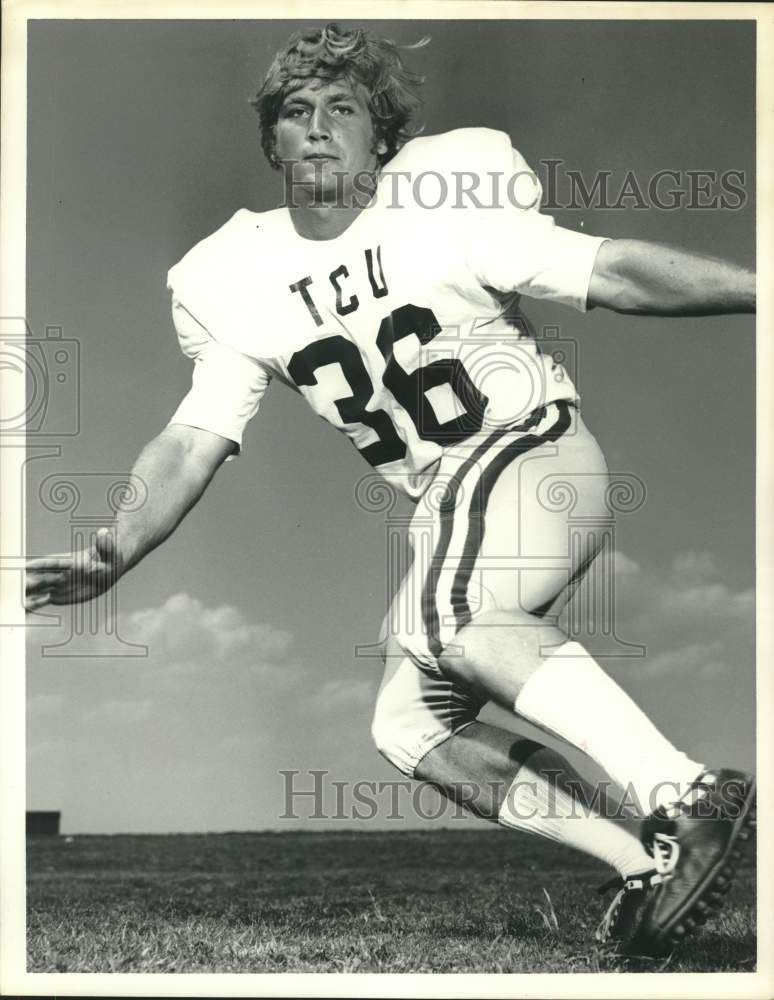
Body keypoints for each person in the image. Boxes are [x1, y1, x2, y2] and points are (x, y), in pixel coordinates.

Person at [25, 23, 756, 959]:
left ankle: (686, 791)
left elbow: (608, 269)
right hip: (449, 499)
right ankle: (644, 863)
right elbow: (196, 434)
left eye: (344, 108)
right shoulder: (229, 274)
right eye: (297, 112)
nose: (320, 127)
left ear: (384, 137)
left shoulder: (445, 197)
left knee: (457, 614)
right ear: (272, 142)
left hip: (526, 446)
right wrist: (119, 543)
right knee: (409, 724)